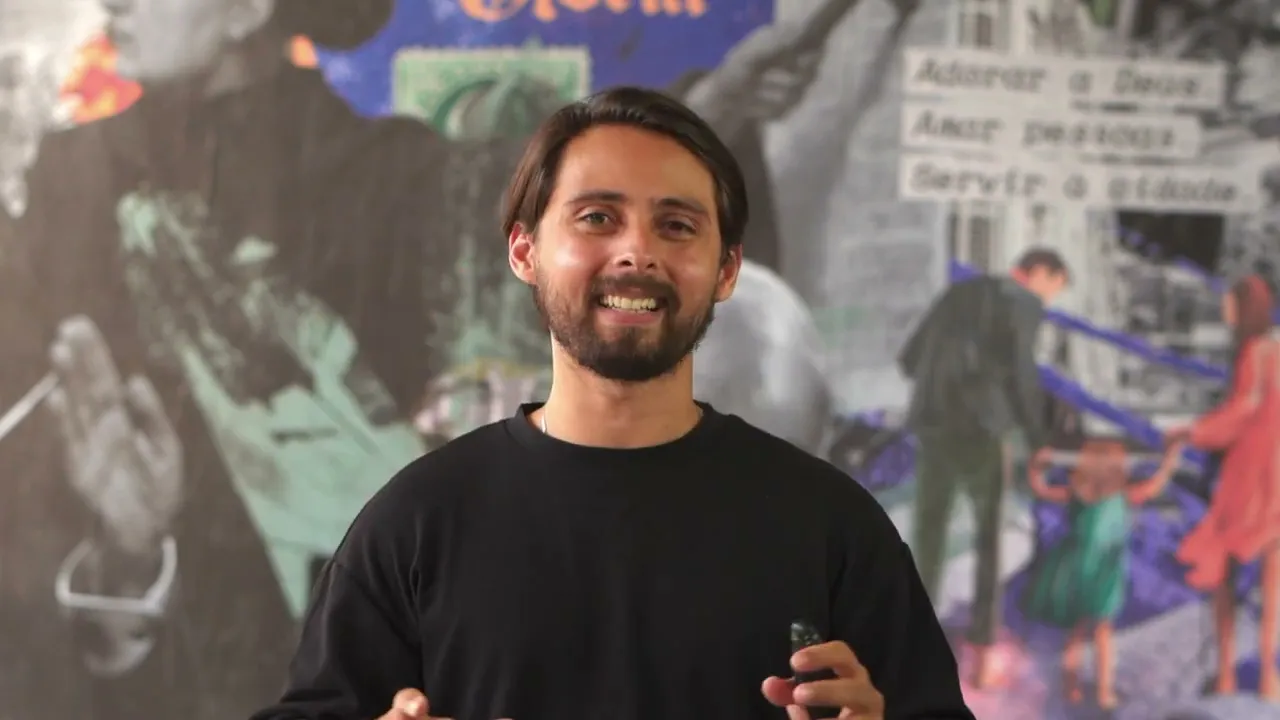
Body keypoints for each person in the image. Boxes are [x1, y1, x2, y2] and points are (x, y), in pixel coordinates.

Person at [251, 87, 973, 720]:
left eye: (677, 225)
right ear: (525, 252)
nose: (637, 253)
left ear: (726, 270)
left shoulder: (831, 528)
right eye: (597, 217)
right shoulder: (414, 524)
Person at [896, 247, 1069, 688]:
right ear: (1039, 273)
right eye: (1053, 287)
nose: (1050, 299)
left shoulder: (958, 292)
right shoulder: (1022, 302)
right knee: (990, 535)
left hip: (934, 423)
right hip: (984, 431)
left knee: (929, 532)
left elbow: (909, 358)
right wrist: (1038, 438)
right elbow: (1022, 375)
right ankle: (983, 651)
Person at [1168, 274, 1280, 699]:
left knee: (1225, 570)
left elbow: (1241, 410)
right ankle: (1268, 675)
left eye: (1229, 303)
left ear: (1244, 307)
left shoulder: (1253, 351)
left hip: (1249, 472)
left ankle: (1227, 673)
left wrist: (1192, 432)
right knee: (1274, 578)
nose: (1223, 310)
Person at [1021, 436, 1184, 709]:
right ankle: (1088, 688)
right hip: (1091, 565)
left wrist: (1036, 467)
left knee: (1087, 627)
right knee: (1092, 628)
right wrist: (1169, 461)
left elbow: (1041, 489)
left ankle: (1086, 688)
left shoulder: (1099, 494)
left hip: (1091, 565)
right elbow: (1155, 486)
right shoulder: (1100, 494)